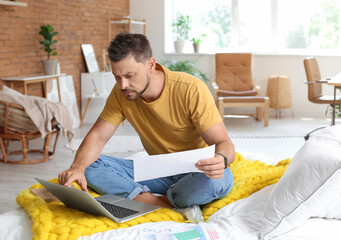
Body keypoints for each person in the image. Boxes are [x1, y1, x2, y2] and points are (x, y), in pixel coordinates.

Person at [58, 33, 234, 220]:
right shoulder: (121, 93)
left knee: (220, 181)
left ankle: (157, 200)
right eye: (117, 77)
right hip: (157, 170)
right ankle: (159, 202)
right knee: (89, 164)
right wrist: (77, 167)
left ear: (150, 64)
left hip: (196, 169)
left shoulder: (190, 89)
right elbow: (97, 137)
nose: (123, 85)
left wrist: (221, 160)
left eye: (129, 76)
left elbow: (223, 142)